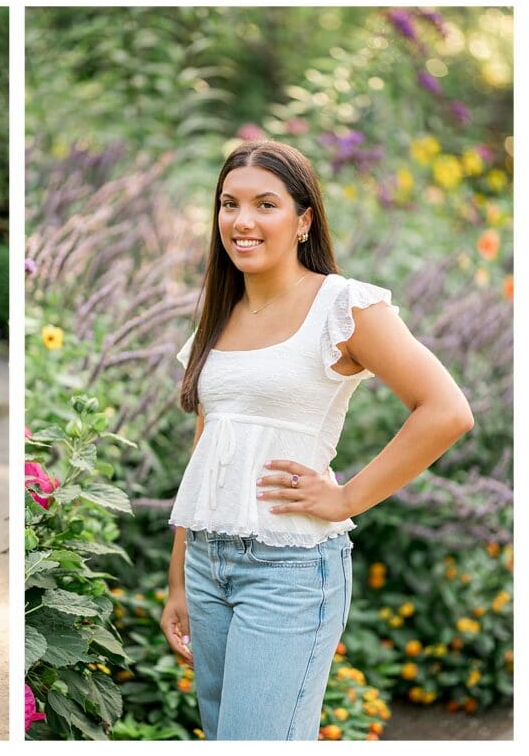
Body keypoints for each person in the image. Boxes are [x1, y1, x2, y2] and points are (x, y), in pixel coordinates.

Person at [158, 140, 473, 739]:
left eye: (265, 204)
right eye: (229, 204)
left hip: (289, 570)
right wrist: (179, 578)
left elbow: (446, 410)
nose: (242, 221)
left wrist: (346, 498)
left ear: (304, 220)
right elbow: (207, 446)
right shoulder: (219, 315)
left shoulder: (344, 306)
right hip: (207, 565)